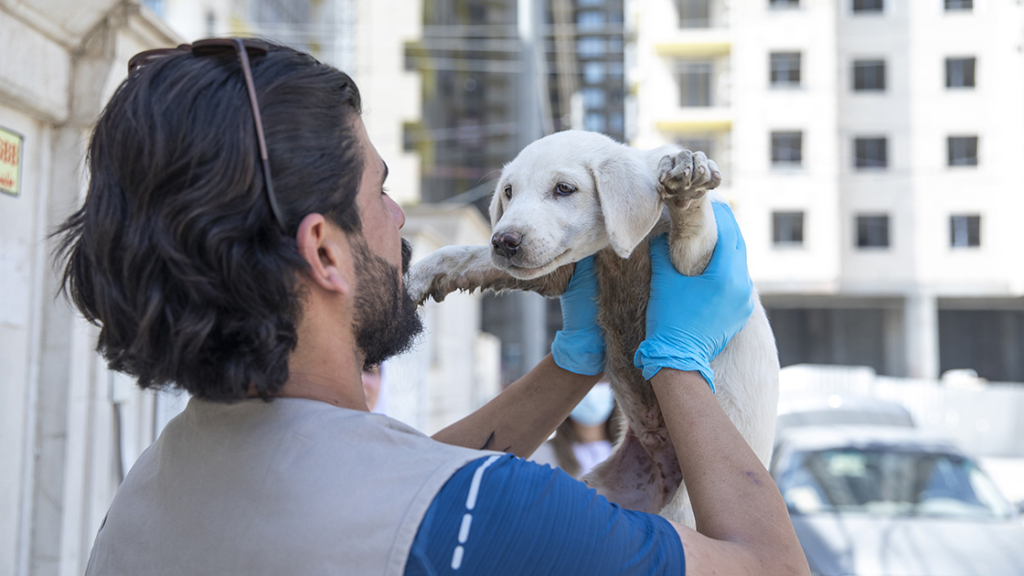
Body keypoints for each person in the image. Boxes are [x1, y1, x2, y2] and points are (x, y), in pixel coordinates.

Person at [57, 38, 809, 575]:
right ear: (324, 253)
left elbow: (406, 471)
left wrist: (585, 350)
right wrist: (673, 358)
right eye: (380, 191)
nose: (400, 219)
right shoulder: (484, 519)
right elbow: (772, 566)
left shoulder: (152, 490)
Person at [530, 381, 621, 478]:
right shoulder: (541, 458)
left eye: (600, 381)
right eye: (581, 383)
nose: (591, 390)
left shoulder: (634, 452)